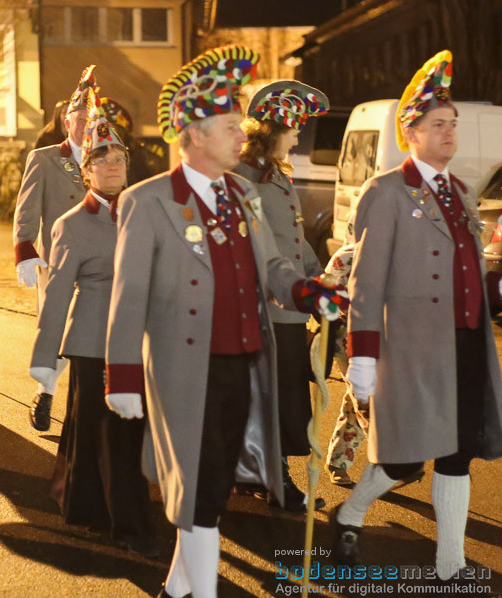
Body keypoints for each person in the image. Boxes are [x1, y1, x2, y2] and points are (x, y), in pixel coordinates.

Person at [104, 45, 347, 598]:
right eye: (230, 125)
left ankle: (177, 588)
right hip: (183, 368)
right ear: (194, 135)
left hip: (243, 364)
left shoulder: (242, 191)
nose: (243, 134)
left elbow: (272, 265)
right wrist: (120, 378)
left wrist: (310, 292)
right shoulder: (147, 200)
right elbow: (128, 295)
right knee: (199, 488)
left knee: (212, 483)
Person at [332, 50, 502, 581]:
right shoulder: (386, 193)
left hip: (465, 345)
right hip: (414, 350)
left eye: (453, 124)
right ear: (411, 133)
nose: (449, 132)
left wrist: (501, 285)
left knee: (457, 454)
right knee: (401, 461)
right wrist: (363, 356)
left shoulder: (461, 193)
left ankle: (449, 565)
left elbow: (467, 274)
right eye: (437, 124)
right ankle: (351, 511)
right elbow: (366, 282)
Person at [32, 88, 157, 557]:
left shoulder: (146, 214)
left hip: (138, 341)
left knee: (96, 431)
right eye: (101, 161)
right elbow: (59, 293)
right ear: (85, 171)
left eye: (118, 160)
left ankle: (82, 502)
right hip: (91, 343)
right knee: (110, 433)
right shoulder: (70, 224)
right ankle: (128, 526)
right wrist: (45, 359)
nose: (111, 167)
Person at [233, 79, 328, 512]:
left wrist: (318, 275)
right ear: (274, 129)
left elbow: (293, 238)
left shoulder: (279, 177)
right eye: (293, 130)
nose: (297, 138)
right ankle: (274, 481)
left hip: (288, 307)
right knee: (268, 397)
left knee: (284, 393)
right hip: (263, 309)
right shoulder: (242, 176)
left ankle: (254, 475)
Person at [14, 66, 93, 431]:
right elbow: (26, 209)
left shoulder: (110, 156)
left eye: (90, 119)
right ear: (66, 120)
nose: (84, 125)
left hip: (102, 262)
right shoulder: (45, 159)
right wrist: (25, 251)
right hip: (59, 262)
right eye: (79, 118)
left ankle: (90, 408)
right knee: (59, 330)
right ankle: (45, 392)